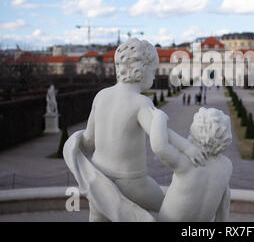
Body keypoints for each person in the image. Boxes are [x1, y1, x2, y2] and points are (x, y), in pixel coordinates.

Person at [68, 38, 205, 221]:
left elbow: (88, 141)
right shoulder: (141, 102)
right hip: (133, 183)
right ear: (141, 70)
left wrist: (74, 143)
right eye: (153, 71)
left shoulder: (101, 96)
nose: (155, 76)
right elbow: (161, 134)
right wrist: (188, 148)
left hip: (99, 181)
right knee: (170, 211)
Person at [150, 107, 233, 221]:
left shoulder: (187, 161)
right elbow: (224, 208)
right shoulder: (226, 166)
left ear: (197, 129)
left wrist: (159, 117)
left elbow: (160, 147)